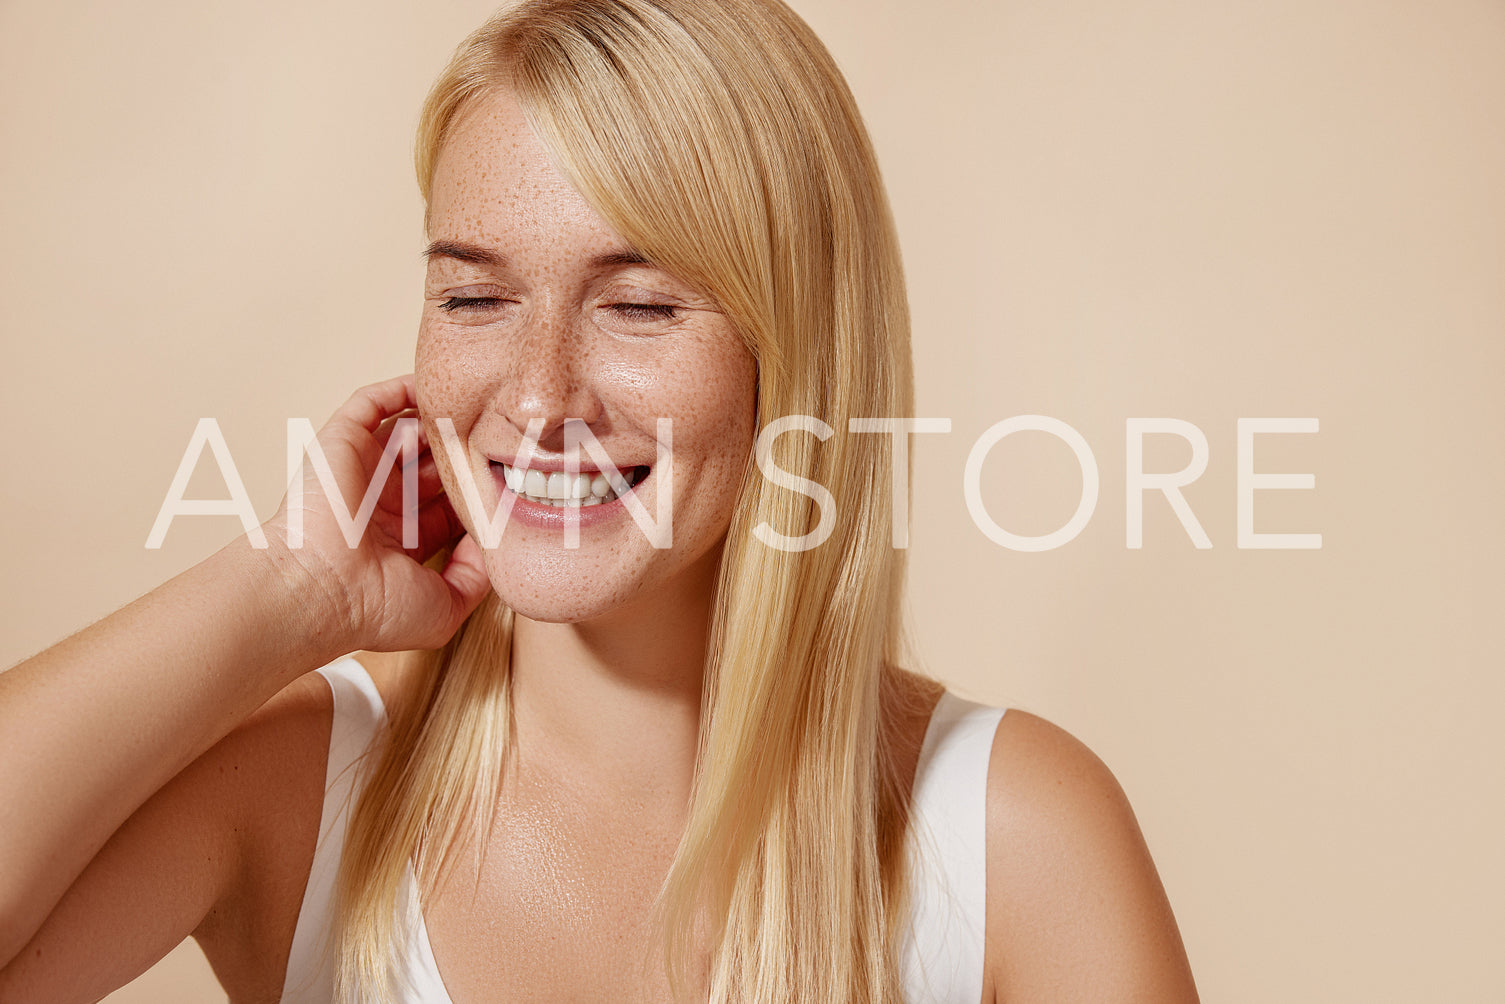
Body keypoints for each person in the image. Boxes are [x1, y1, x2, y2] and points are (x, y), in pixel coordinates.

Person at [0, 0, 1199, 1000]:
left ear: (795, 354)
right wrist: (284, 587)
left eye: (638, 304)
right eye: (474, 299)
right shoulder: (304, 787)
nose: (536, 394)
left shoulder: (1012, 836)